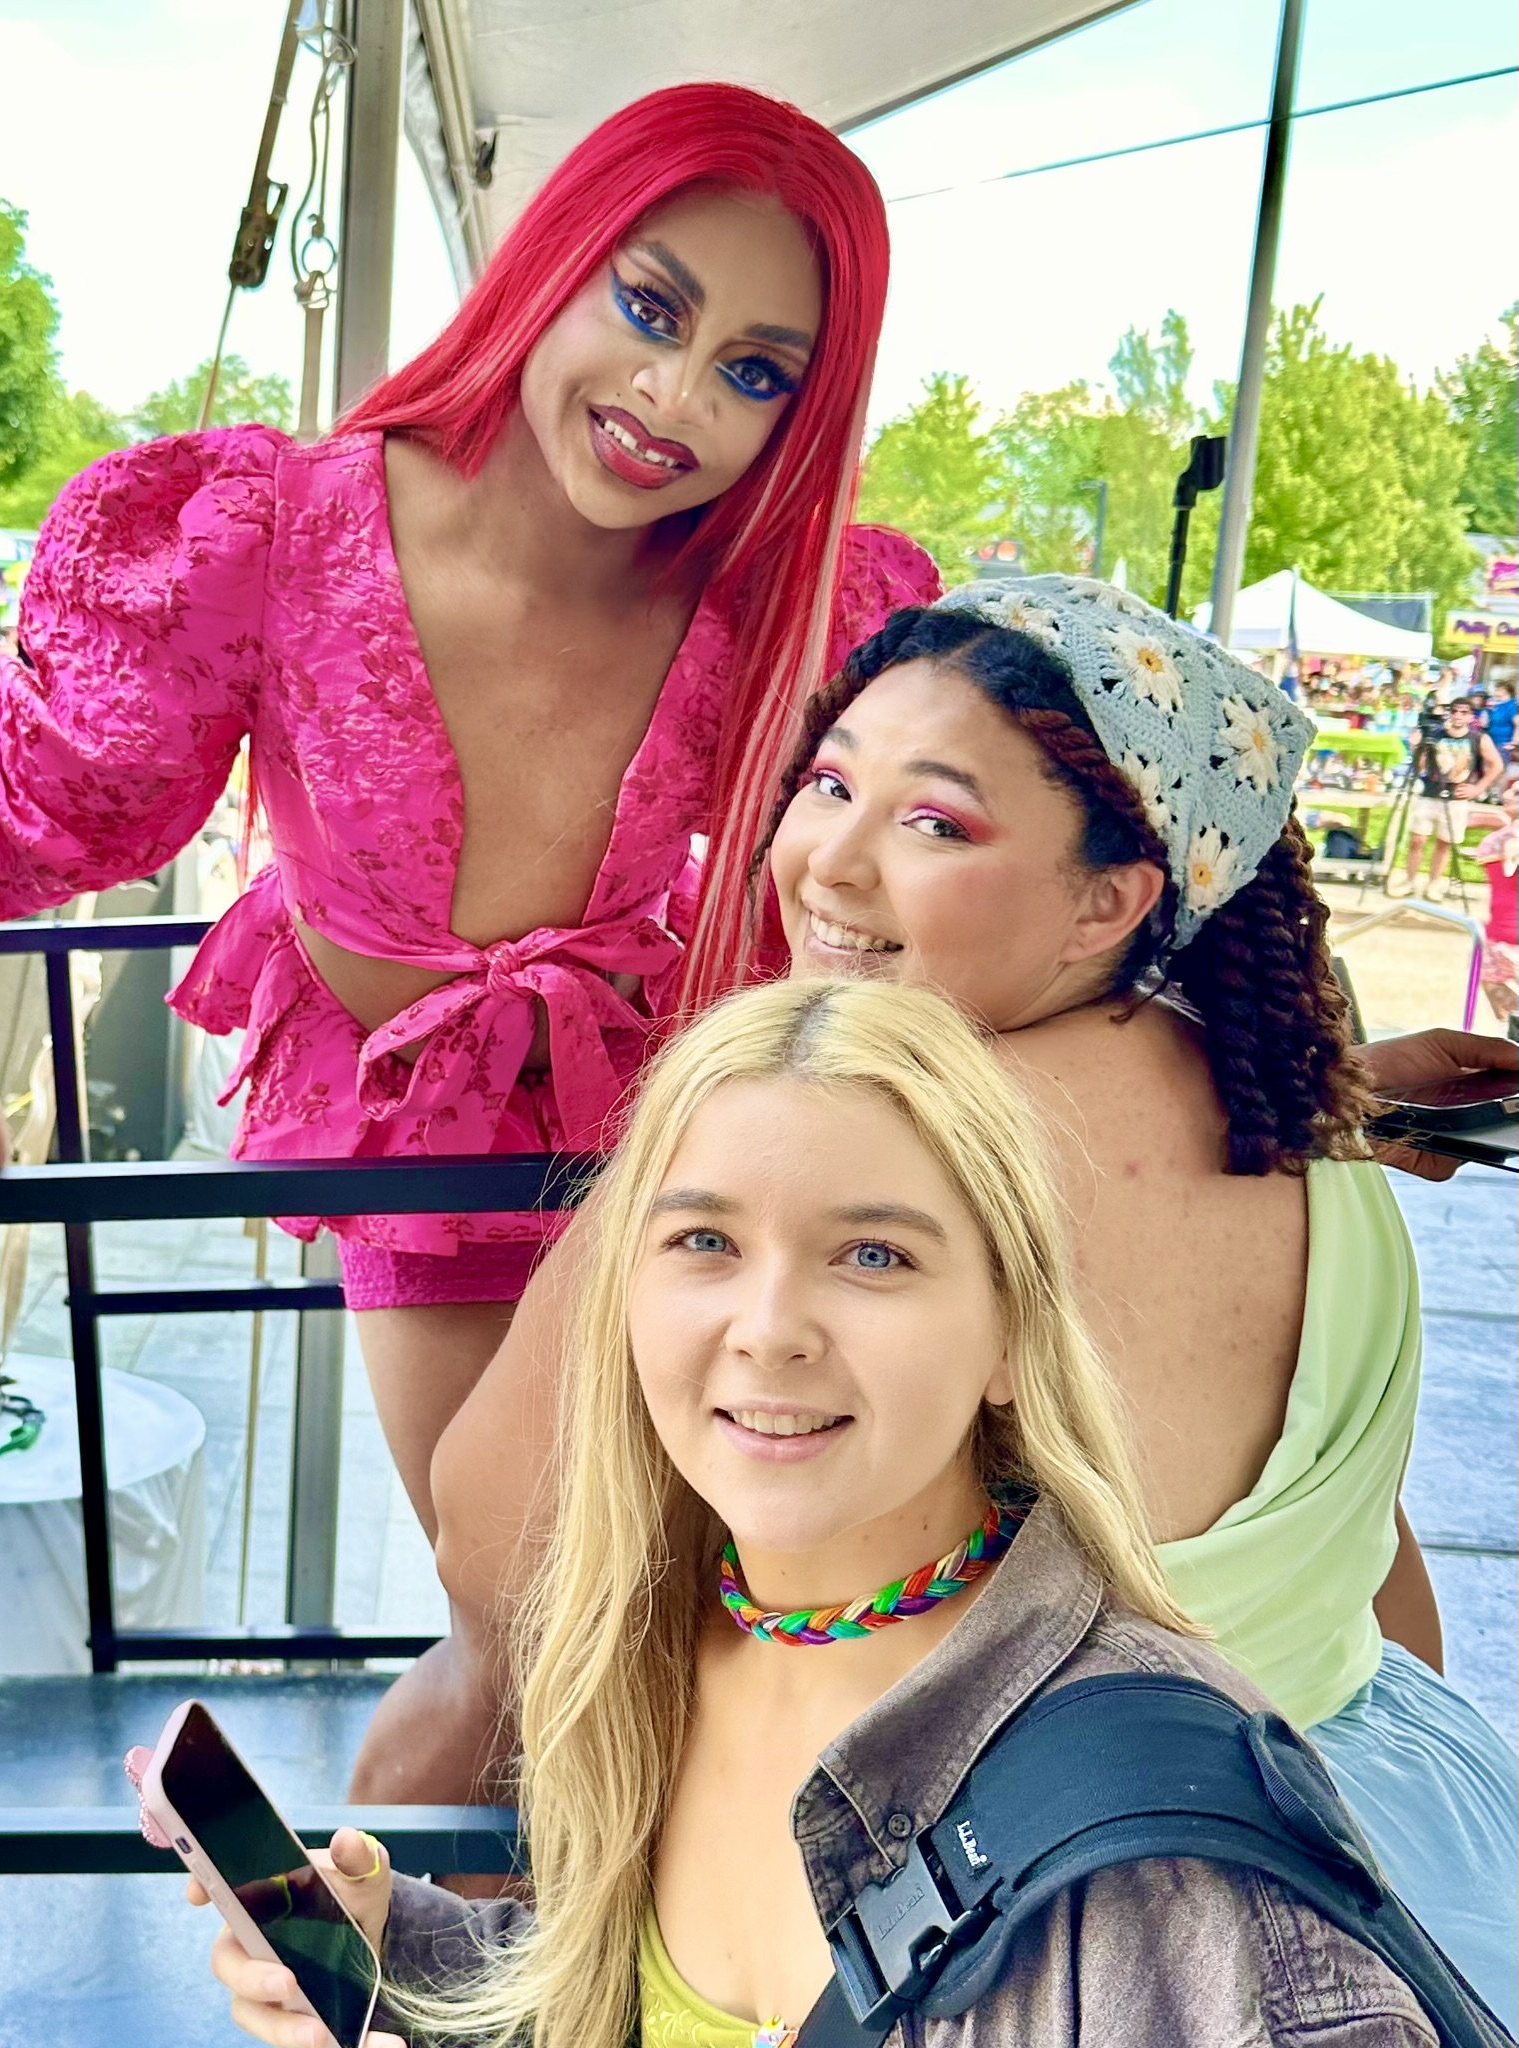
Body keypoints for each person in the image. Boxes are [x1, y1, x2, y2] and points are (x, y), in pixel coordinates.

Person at [0, 81, 938, 1776]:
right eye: (652, 306)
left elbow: (989, 846)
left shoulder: (783, 601)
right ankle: (378, 1968)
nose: (673, 398)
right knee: (533, 1612)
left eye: (755, 371)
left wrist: (1292, 1057)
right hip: (417, 1131)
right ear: (556, 260)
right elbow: (39, 799)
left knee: (672, 1617)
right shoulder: (269, 529)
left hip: (668, 1145)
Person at [426, 576, 1517, 2016]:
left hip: (1027, 1905)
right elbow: (1376, 1583)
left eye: (935, 821)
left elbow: (491, 1538)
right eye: (829, 786)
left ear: (1111, 900)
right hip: (1381, 1829)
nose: (830, 866)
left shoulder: (882, 1149)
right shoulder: (1312, 1129)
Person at [187, 976, 1467, 2048]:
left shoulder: (1163, 1852)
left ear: (1011, 1336)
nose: (770, 1329)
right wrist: (398, 1956)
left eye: (875, 1255)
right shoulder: (651, 1649)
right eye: (704, 1242)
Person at [1388, 696, 1506, 901]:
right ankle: (1410, 879)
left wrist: (1478, 788)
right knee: (1418, 839)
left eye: (1464, 712)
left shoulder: (1478, 738)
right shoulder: (1435, 734)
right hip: (1430, 793)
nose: (1458, 716)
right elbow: (1421, 766)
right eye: (1455, 711)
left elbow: (1496, 765)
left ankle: (1434, 883)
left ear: (1471, 716)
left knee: (1444, 842)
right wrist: (1417, 747)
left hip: (1456, 797)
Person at [1474, 783, 1518, 1035]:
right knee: (1491, 980)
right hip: (1501, 928)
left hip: (1506, 929)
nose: (1507, 795)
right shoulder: (1497, 840)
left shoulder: (1500, 840)